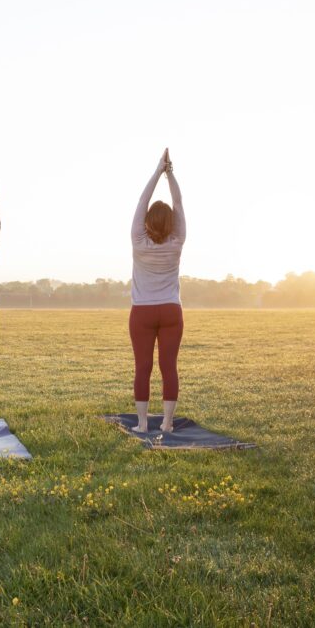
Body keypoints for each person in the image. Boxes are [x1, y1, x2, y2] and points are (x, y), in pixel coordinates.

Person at [130, 148, 186, 433]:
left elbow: (143, 200)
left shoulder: (138, 240)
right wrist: (170, 174)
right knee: (169, 367)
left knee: (143, 367)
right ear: (172, 224)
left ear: (147, 222)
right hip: (171, 310)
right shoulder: (177, 241)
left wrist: (157, 171)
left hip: (142, 312)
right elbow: (177, 202)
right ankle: (166, 422)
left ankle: (142, 424)